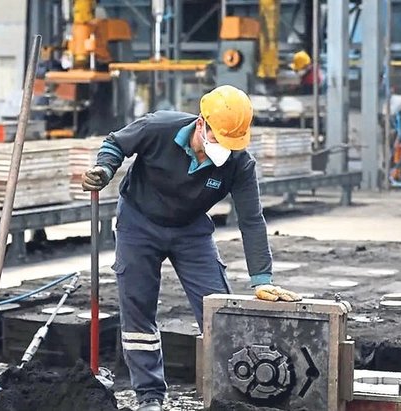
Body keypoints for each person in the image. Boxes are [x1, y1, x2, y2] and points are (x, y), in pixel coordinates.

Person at [81, 85, 302, 411]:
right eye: (220, 140)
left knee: (218, 308)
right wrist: (104, 169)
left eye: (232, 144)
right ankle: (150, 396)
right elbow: (116, 143)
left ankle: (232, 395)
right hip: (139, 223)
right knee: (137, 310)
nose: (225, 150)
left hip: (191, 231)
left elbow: (252, 220)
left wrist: (262, 278)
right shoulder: (158, 127)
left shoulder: (239, 163)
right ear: (201, 124)